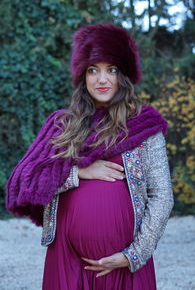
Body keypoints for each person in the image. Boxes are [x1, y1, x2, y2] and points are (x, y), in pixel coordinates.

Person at [6, 23, 174, 290]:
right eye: (93, 70)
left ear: (124, 75)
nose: (102, 79)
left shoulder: (145, 126)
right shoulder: (62, 125)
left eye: (112, 70)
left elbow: (162, 195)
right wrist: (77, 172)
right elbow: (22, 184)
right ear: (83, 76)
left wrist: (133, 255)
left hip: (125, 266)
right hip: (66, 261)